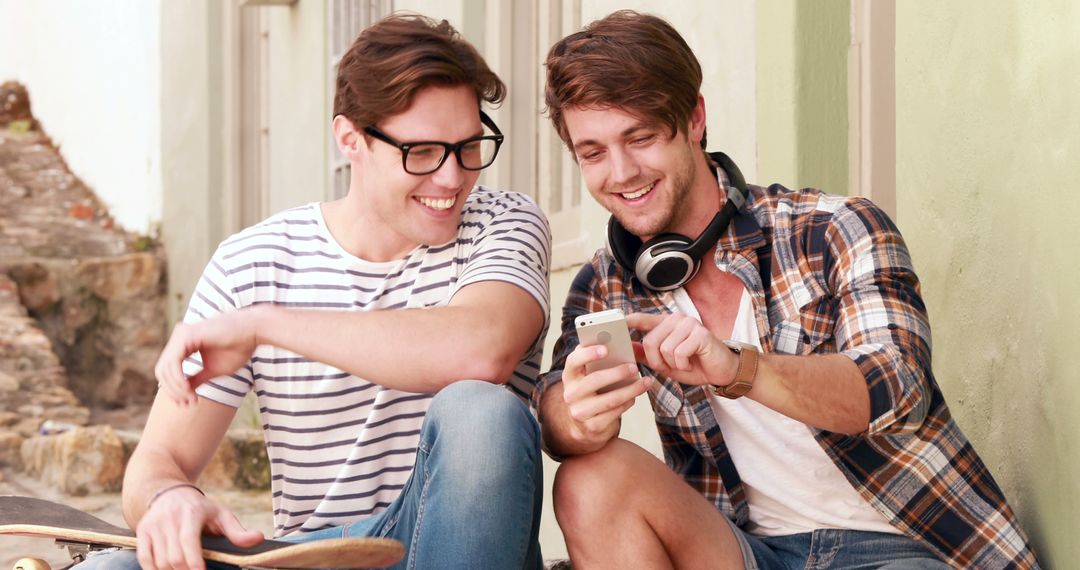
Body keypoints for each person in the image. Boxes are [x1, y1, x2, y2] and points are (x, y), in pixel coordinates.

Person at [535, 10, 1039, 569]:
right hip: (746, 550)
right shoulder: (608, 281)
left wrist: (737, 368)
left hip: (896, 549)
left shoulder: (834, 228)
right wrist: (577, 417)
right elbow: (555, 413)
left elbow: (895, 387)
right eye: (594, 153)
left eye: (642, 137)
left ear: (695, 118)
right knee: (589, 480)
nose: (622, 171)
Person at [78, 14, 550, 570]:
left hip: (456, 544)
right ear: (350, 138)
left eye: (468, 146)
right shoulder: (254, 263)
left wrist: (264, 325)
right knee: (114, 567)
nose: (452, 178)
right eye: (421, 152)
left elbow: (480, 351)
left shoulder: (504, 222)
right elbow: (157, 461)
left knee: (480, 412)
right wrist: (169, 498)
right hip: (313, 556)